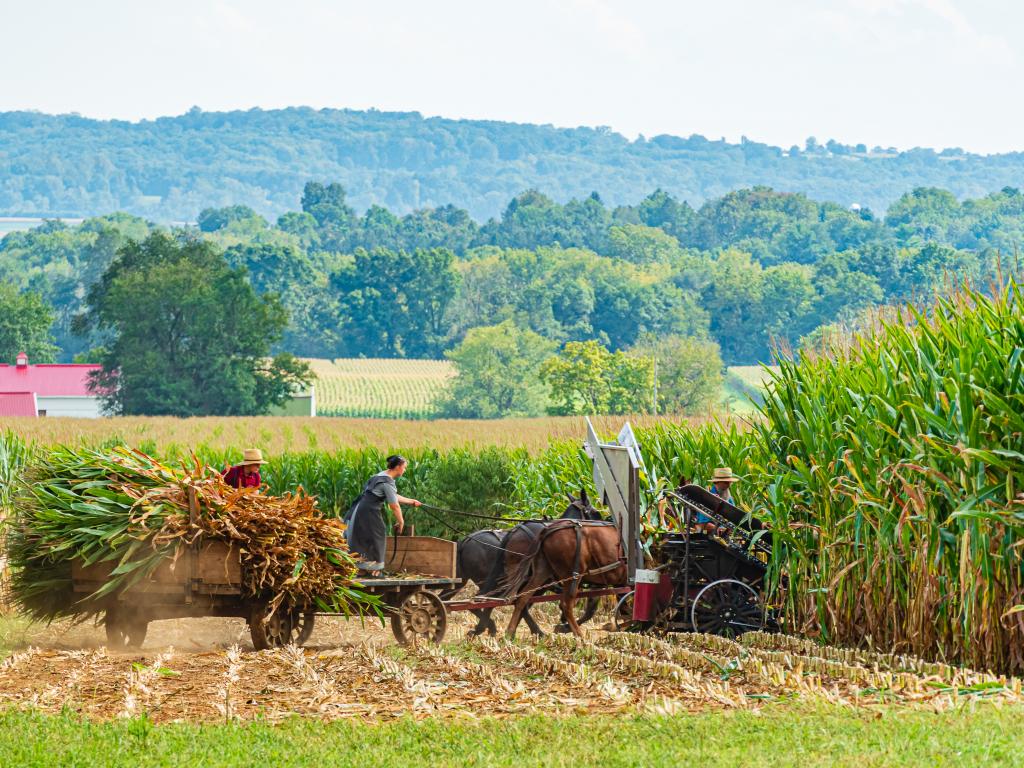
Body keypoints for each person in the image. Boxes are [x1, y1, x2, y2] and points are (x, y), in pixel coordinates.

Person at [344, 455, 422, 576]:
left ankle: (362, 568)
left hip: (361, 509)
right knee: (378, 534)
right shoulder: (387, 482)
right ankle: (374, 569)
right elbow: (394, 505)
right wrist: (401, 521)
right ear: (397, 467)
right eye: (404, 467)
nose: (405, 470)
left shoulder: (381, 476)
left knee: (365, 536)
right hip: (369, 510)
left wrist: (412, 501)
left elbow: (393, 496)